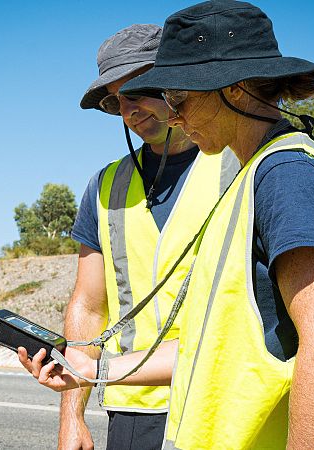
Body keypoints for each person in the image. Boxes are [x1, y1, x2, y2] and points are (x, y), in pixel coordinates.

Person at [20, 2, 314, 449]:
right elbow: (211, 343)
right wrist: (89, 370)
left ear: (238, 88)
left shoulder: (288, 177)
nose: (172, 115)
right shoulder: (248, 179)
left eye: (179, 97)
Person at [61, 24, 239, 450]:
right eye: (116, 102)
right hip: (134, 408)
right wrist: (72, 417)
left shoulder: (244, 163)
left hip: (223, 402)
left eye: (138, 91)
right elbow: (88, 305)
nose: (128, 111)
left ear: (179, 82)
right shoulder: (105, 186)